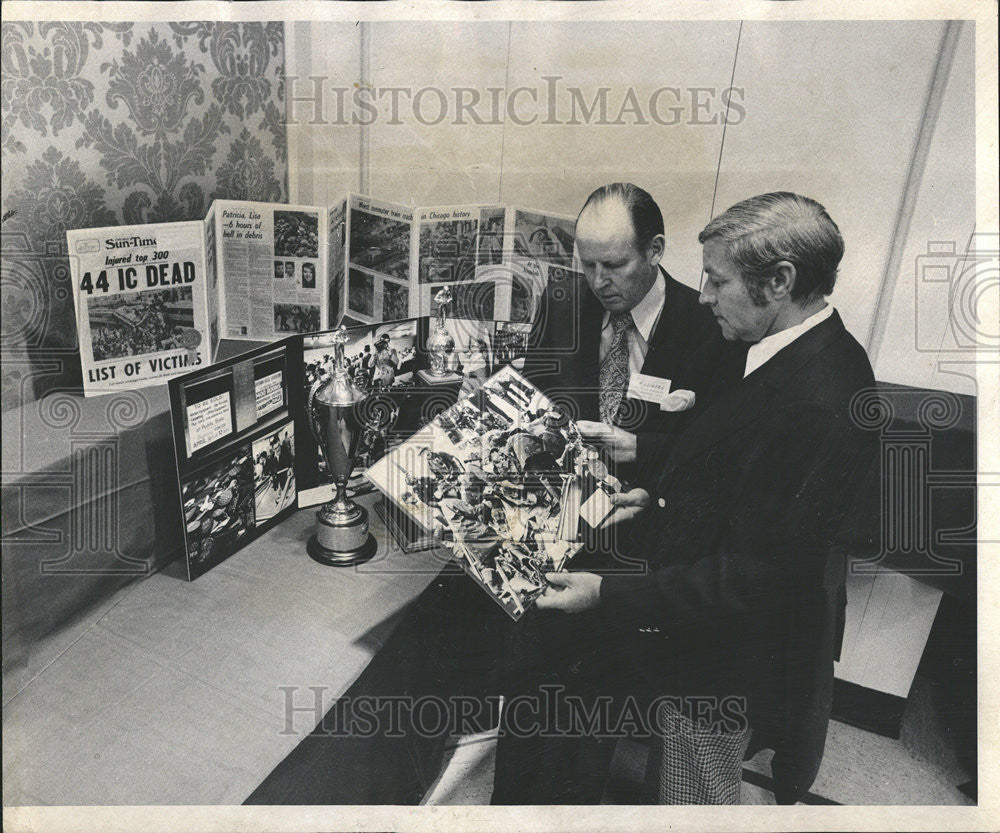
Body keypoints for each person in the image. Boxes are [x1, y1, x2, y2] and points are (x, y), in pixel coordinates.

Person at [492, 192, 878, 805]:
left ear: (779, 282)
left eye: (718, 281)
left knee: (692, 794)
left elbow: (758, 576)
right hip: (693, 614)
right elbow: (738, 480)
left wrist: (607, 592)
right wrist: (655, 496)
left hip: (726, 654)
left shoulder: (825, 400)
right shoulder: (785, 355)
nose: (702, 296)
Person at [522, 182, 746, 474]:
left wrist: (644, 449)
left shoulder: (711, 325)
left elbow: (717, 449)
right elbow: (529, 399)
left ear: (655, 250)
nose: (599, 281)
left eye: (614, 265)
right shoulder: (559, 303)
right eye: (589, 265)